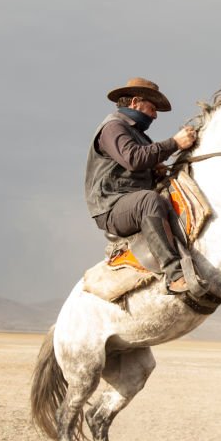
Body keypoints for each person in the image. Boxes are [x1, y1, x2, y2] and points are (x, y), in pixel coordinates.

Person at [85, 77, 197, 293]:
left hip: (130, 200)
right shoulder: (113, 127)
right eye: (153, 108)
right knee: (150, 201)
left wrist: (156, 172)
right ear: (135, 102)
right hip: (111, 206)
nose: (155, 115)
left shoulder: (139, 135)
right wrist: (174, 143)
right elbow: (133, 159)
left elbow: (139, 164)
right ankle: (174, 275)